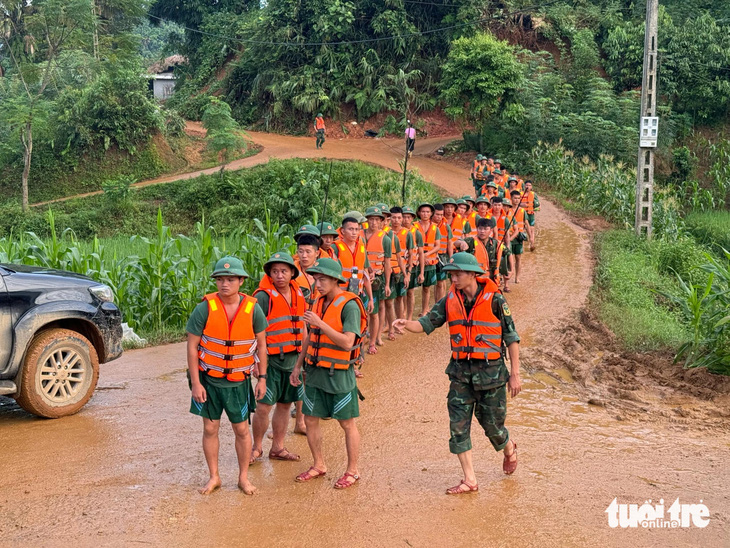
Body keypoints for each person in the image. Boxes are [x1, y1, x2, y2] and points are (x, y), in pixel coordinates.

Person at [393, 252, 521, 494]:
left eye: (458, 273)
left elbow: (512, 338)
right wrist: (406, 324)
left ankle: (508, 447)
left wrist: (515, 374)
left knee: (493, 427)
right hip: (461, 374)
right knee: (458, 426)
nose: (454, 278)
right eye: (451, 274)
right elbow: (426, 322)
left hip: (491, 375)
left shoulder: (496, 301)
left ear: (473, 274)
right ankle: (470, 479)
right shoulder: (449, 300)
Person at [186, 256, 268, 495]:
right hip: (208, 380)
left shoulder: (253, 309)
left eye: (231, 279)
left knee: (241, 430)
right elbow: (192, 347)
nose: (225, 284)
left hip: (239, 382)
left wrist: (262, 378)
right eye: (220, 279)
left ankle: (243, 477)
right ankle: (214, 477)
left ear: (241, 281)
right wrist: (196, 384)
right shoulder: (204, 308)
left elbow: (262, 346)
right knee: (210, 429)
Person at [290, 258, 367, 489]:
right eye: (316, 278)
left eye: (323, 279)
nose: (318, 283)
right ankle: (319, 464)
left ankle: (352, 471)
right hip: (315, 372)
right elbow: (310, 338)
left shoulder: (350, 305)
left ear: (336, 280)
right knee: (310, 419)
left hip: (339, 374)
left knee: (347, 423)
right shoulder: (317, 302)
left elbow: (347, 342)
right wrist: (298, 366)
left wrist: (320, 323)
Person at [251, 252, 306, 465]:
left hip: (293, 361)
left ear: (292, 273)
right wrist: (256, 363)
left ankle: (278, 447)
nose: (279, 275)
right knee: (264, 406)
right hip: (271, 361)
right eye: (275, 271)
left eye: (284, 271)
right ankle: (256, 448)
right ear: (270, 274)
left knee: (285, 404)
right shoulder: (263, 297)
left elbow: (302, 325)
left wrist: (304, 358)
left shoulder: (299, 293)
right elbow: (253, 332)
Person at [363, 206, 392, 354]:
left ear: (381, 221)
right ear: (367, 220)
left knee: (374, 311)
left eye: (376, 220)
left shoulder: (385, 239)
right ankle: (363, 338)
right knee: (361, 311)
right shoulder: (360, 236)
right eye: (371, 219)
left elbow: (387, 262)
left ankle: (373, 341)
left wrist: (387, 284)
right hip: (360, 278)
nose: (374, 223)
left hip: (377, 279)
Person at [454, 217, 507, 285]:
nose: (482, 231)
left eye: (485, 229)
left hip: (491, 278)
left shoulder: (496, 243)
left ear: (491, 230)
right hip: (474, 279)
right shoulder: (471, 241)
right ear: (477, 229)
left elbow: (507, 253)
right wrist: (462, 243)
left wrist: (510, 270)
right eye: (480, 228)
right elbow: (456, 243)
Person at [385, 206, 409, 334]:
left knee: (400, 298)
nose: (396, 220)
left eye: (399, 218)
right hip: (386, 271)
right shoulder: (385, 233)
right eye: (393, 217)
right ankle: (389, 326)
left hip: (399, 271)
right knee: (388, 302)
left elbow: (402, 257)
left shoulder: (406, 233)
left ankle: (400, 323)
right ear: (389, 219)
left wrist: (406, 274)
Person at [415, 202, 441, 318]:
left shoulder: (435, 228)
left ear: (431, 214)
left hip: (430, 261)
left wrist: (426, 255)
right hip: (416, 261)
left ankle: (425, 310)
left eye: (427, 212)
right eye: (423, 211)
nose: (425, 214)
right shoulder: (414, 226)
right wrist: (420, 256)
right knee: (410, 290)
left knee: (427, 287)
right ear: (419, 213)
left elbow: (438, 246)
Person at [402, 206, 424, 321]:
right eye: (404, 217)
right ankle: (403, 314)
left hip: (412, 266)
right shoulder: (396, 232)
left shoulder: (417, 233)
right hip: (400, 267)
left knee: (410, 292)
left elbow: (421, 253)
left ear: (412, 218)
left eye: (408, 217)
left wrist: (421, 272)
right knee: (401, 294)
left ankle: (409, 317)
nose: (405, 219)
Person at [506, 190, 529, 284]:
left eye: (518, 198)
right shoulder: (507, 210)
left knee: (518, 258)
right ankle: (507, 275)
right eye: (515, 198)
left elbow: (526, 224)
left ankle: (517, 277)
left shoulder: (522, 211)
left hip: (519, 237)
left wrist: (531, 237)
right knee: (508, 257)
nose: (516, 200)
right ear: (511, 199)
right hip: (509, 237)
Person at [433, 203, 453, 303]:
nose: (439, 217)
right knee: (434, 283)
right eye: (437, 214)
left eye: (441, 215)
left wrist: (451, 258)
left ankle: (439, 304)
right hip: (431, 256)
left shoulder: (446, 226)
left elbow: (450, 243)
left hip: (443, 257)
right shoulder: (428, 226)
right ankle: (437, 302)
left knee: (441, 282)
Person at [523, 181, 540, 251]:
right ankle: (524, 245)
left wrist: (536, 208)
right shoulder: (521, 194)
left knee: (532, 229)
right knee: (524, 229)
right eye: (526, 185)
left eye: (529, 185)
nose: (528, 187)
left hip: (531, 214)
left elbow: (538, 204)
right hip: (523, 214)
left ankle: (532, 243)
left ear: (531, 187)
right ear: (524, 186)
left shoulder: (533, 194)